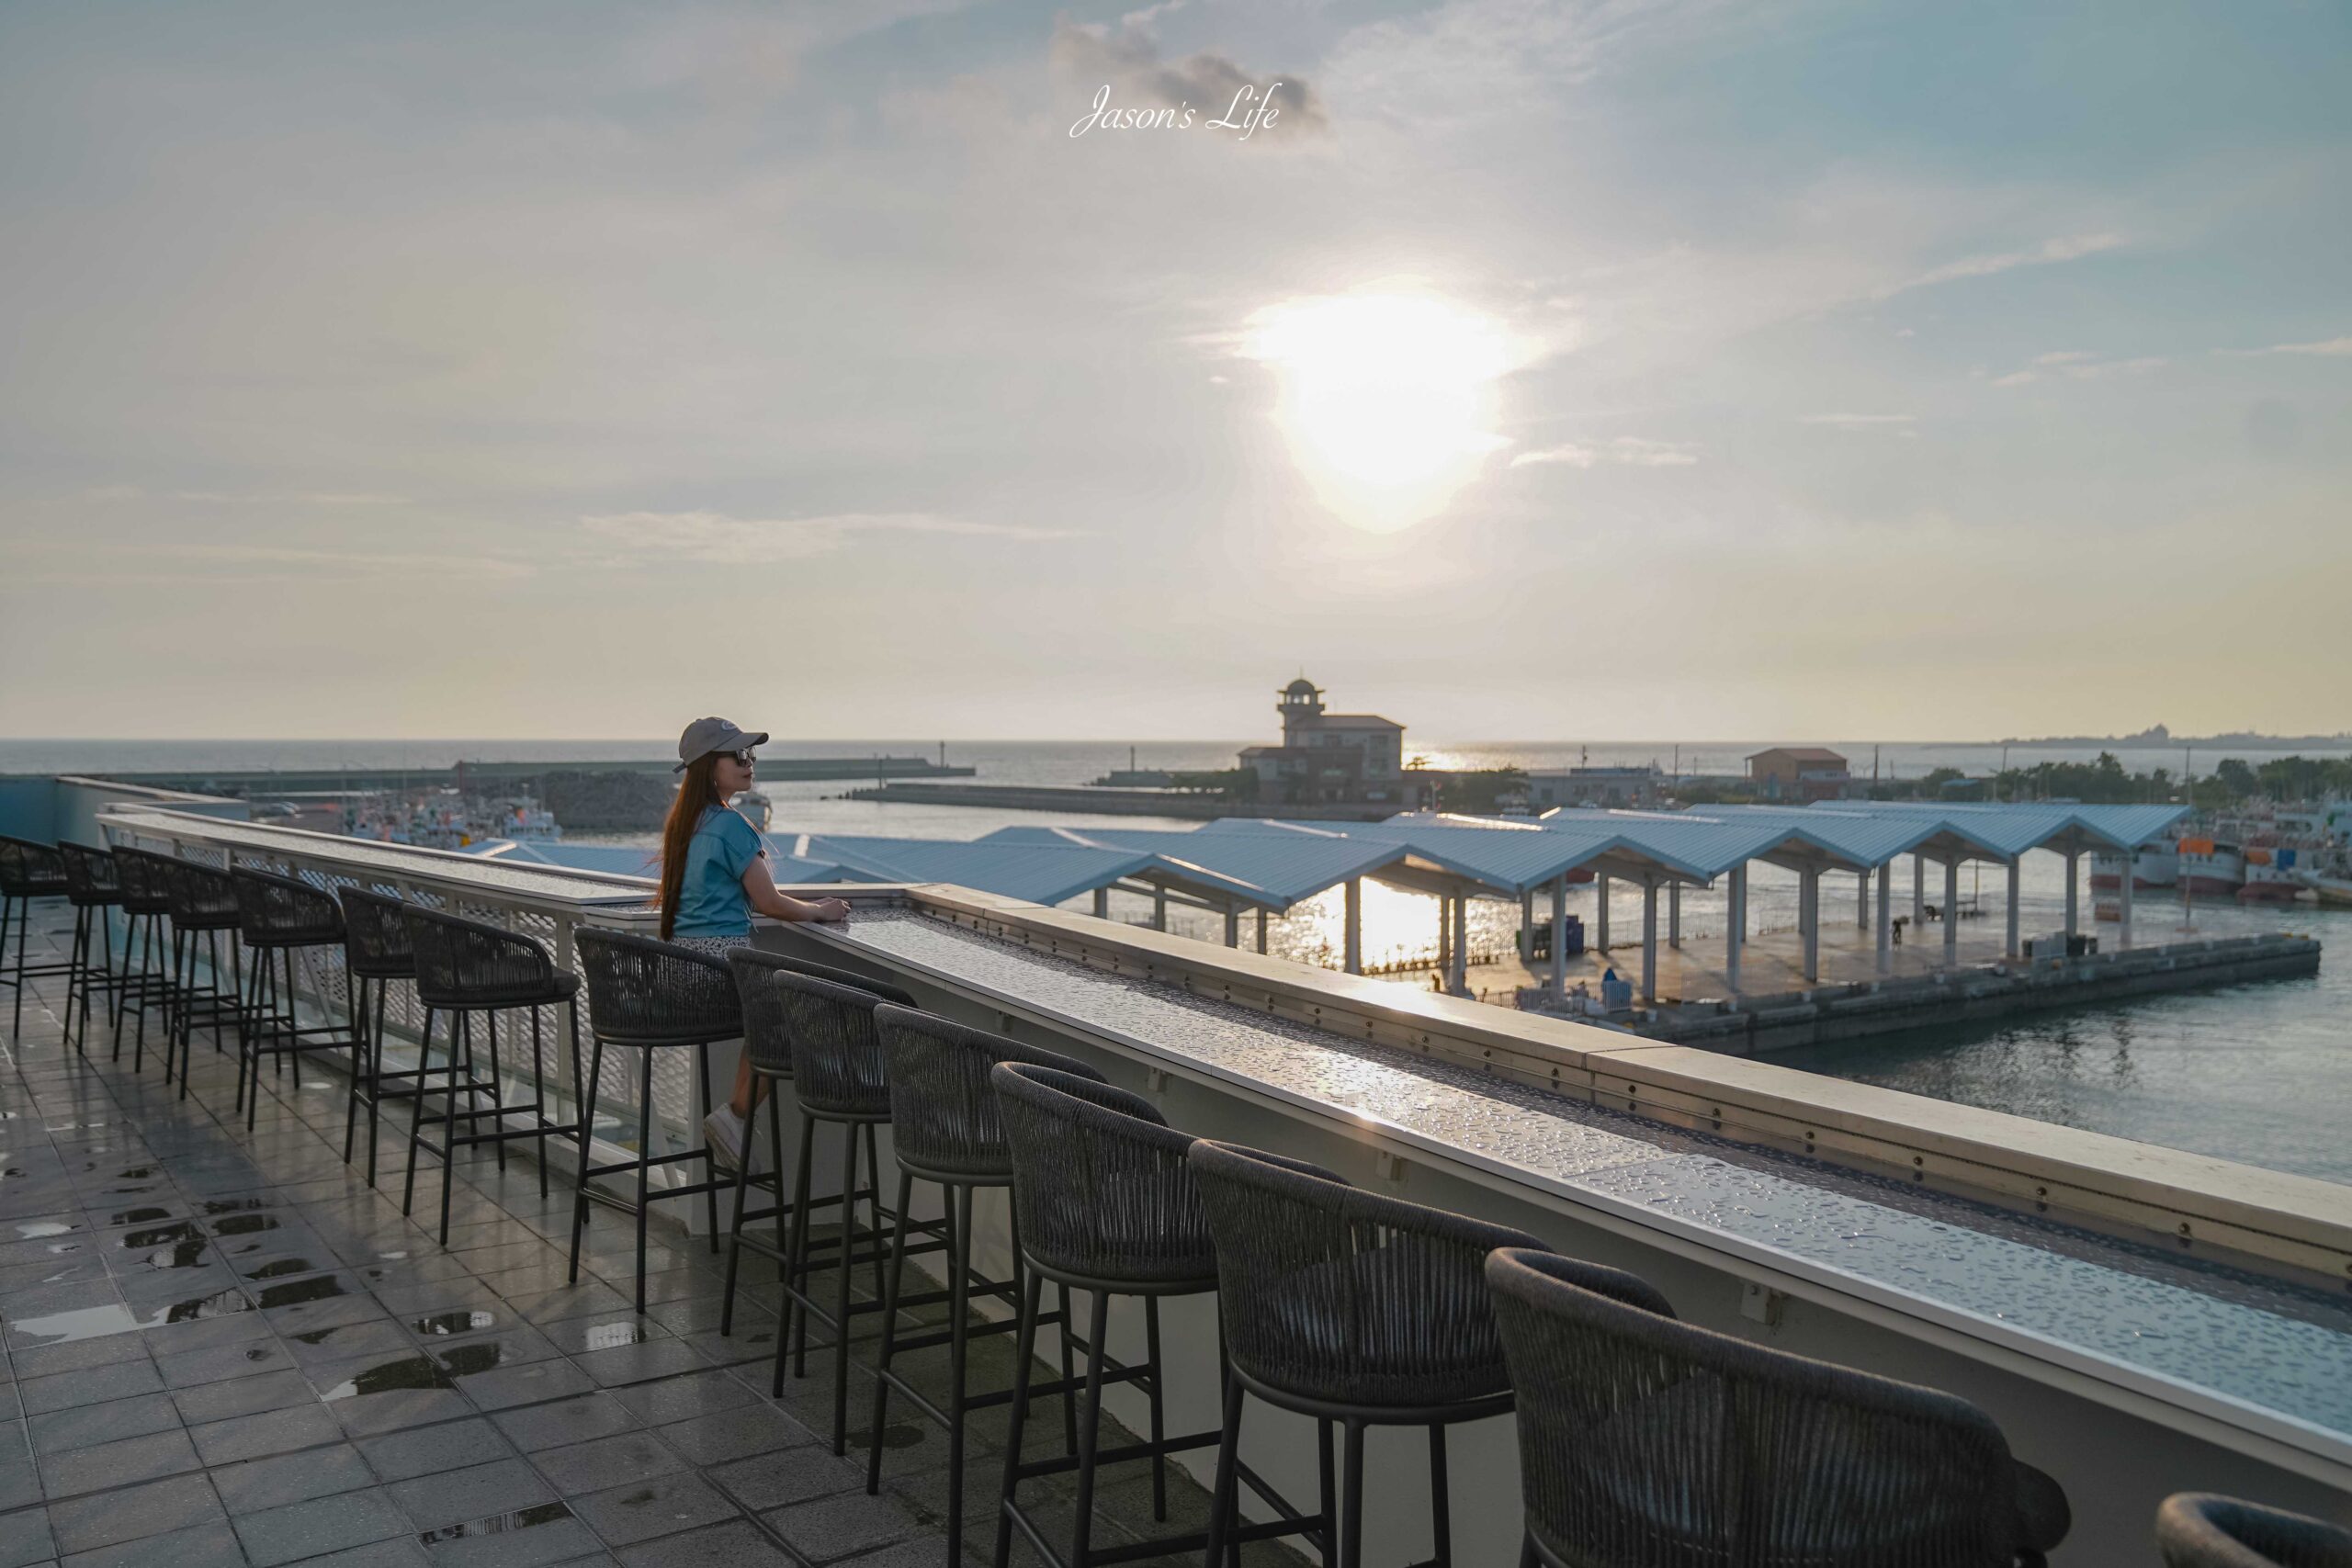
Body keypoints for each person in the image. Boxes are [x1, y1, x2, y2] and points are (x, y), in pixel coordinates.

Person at [656, 716, 849, 1168]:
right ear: (709, 766)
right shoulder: (730, 826)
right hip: (719, 967)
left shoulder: (686, 825)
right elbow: (770, 902)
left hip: (682, 969)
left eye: (751, 754)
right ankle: (736, 1115)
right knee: (795, 1016)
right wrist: (821, 910)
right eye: (738, 755)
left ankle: (734, 1120)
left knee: (775, 1013)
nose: (749, 763)